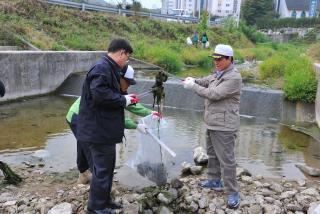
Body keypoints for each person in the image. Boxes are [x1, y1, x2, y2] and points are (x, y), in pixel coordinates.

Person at [65, 65, 161, 185]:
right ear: (119, 78)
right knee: (91, 150)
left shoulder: (118, 89)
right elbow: (114, 118)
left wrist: (149, 113)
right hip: (78, 117)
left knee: (83, 146)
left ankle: (84, 176)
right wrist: (136, 125)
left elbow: (130, 103)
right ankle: (100, 188)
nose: (128, 85)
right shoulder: (107, 90)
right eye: (127, 82)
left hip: (83, 117)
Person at [76, 39, 137, 214]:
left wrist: (125, 98)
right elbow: (99, 94)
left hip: (105, 130)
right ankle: (95, 207)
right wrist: (122, 99)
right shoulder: (102, 68)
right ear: (122, 52)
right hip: (97, 131)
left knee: (108, 169)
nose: (126, 62)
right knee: (102, 170)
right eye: (127, 58)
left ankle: (105, 201)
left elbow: (108, 93)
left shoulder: (110, 68)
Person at [183, 44, 242, 209]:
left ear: (230, 59)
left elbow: (214, 94)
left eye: (220, 59)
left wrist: (193, 87)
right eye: (214, 58)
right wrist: (193, 80)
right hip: (212, 122)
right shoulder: (218, 73)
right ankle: (214, 180)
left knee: (227, 160)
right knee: (212, 154)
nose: (216, 61)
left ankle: (232, 192)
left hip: (225, 126)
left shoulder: (233, 78)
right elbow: (205, 81)